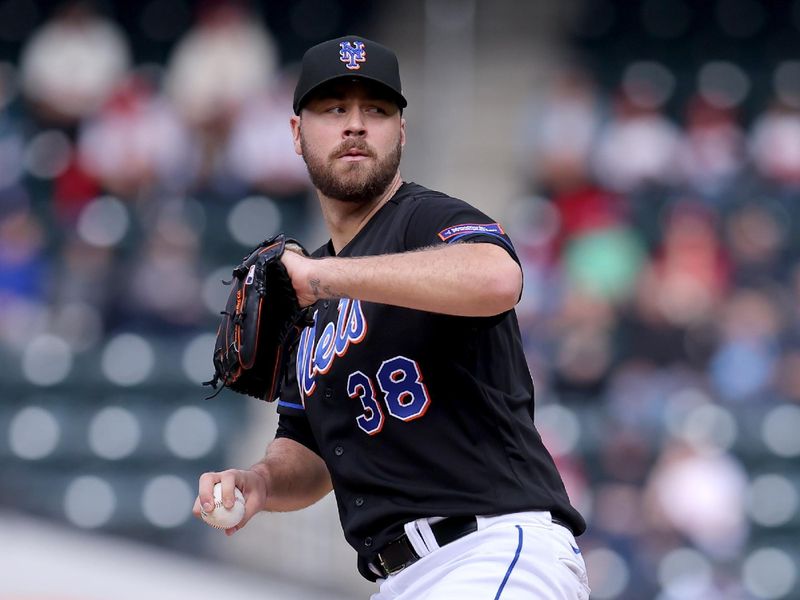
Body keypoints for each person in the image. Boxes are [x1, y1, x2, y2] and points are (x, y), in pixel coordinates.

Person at [194, 35, 590, 599]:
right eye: (334, 109)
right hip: (400, 579)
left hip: (491, 549)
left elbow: (499, 278)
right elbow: (308, 448)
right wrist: (258, 482)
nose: (355, 125)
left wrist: (321, 279)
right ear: (296, 133)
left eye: (375, 111)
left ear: (400, 132)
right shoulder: (310, 288)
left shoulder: (426, 220)